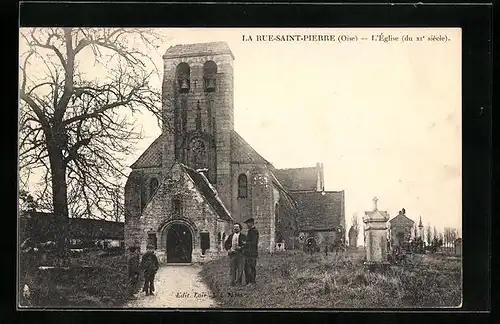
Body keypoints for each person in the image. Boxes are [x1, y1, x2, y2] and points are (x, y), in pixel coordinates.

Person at [243, 218, 259, 285]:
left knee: (251, 268)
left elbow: (254, 242)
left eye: (247, 223)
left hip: (252, 253)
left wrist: (245, 243)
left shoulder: (255, 231)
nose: (246, 225)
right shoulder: (250, 231)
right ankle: (248, 282)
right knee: (246, 268)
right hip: (248, 253)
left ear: (251, 223)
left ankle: (252, 282)